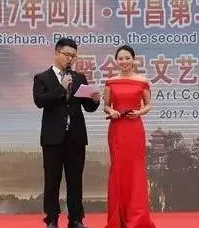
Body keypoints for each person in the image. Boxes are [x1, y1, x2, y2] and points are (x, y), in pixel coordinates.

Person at [33, 38, 101, 228]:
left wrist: (95, 100)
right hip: (53, 138)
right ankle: (52, 219)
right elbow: (39, 101)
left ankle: (76, 219)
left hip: (76, 138)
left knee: (75, 181)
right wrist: (61, 88)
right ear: (56, 53)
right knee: (52, 180)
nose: (70, 59)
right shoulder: (42, 78)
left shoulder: (79, 78)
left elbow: (88, 107)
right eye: (67, 55)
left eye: (73, 56)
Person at [102, 45, 156, 228]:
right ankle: (118, 219)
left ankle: (137, 218)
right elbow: (106, 105)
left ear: (133, 59)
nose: (124, 61)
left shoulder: (142, 81)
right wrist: (112, 111)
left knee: (136, 171)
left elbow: (148, 105)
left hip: (134, 129)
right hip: (117, 129)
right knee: (118, 170)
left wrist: (139, 112)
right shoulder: (111, 82)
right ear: (116, 61)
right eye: (120, 59)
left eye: (127, 58)